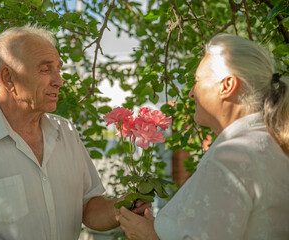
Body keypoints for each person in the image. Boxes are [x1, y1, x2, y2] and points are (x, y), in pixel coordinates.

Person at [0, 24, 148, 240]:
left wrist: (121, 208)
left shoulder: (67, 131)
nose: (59, 81)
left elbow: (88, 206)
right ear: (8, 78)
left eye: (58, 69)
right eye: (45, 69)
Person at [117, 33, 289, 239]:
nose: (190, 93)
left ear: (227, 86)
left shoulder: (232, 156)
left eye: (197, 81)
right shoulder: (270, 142)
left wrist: (148, 236)